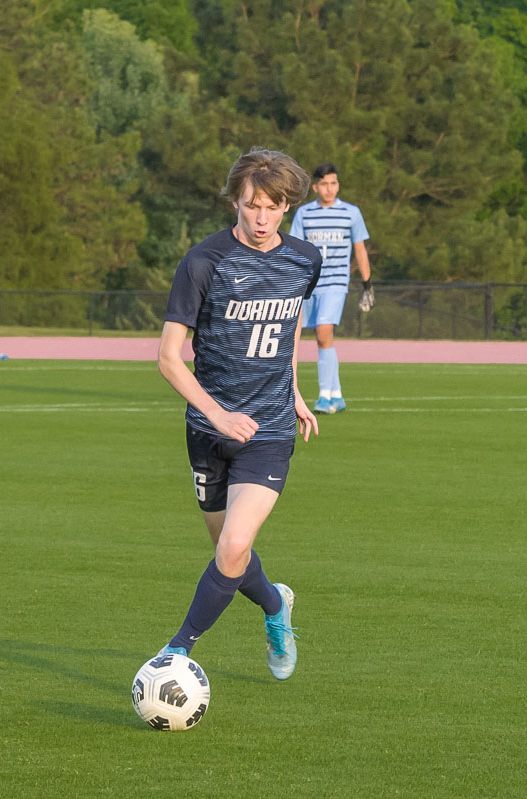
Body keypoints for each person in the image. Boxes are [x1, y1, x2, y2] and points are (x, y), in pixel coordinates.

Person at [156, 147, 322, 681]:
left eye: (274, 207)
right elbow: (167, 357)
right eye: (252, 205)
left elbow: (289, 323)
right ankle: (276, 606)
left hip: (269, 430)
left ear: (288, 207)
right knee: (233, 556)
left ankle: (176, 651)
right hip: (208, 431)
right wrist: (217, 413)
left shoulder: (304, 260)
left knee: (232, 545)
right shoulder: (204, 262)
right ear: (235, 201)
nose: (262, 218)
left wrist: (293, 388)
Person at [289, 163, 373, 414]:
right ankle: (336, 395)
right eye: (324, 184)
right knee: (319, 337)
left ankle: (324, 396)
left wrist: (368, 284)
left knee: (323, 334)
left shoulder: (351, 213)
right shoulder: (304, 214)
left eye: (334, 183)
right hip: (309, 284)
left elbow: (360, 249)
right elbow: (295, 247)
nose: (330, 188)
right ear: (315, 187)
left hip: (336, 282)